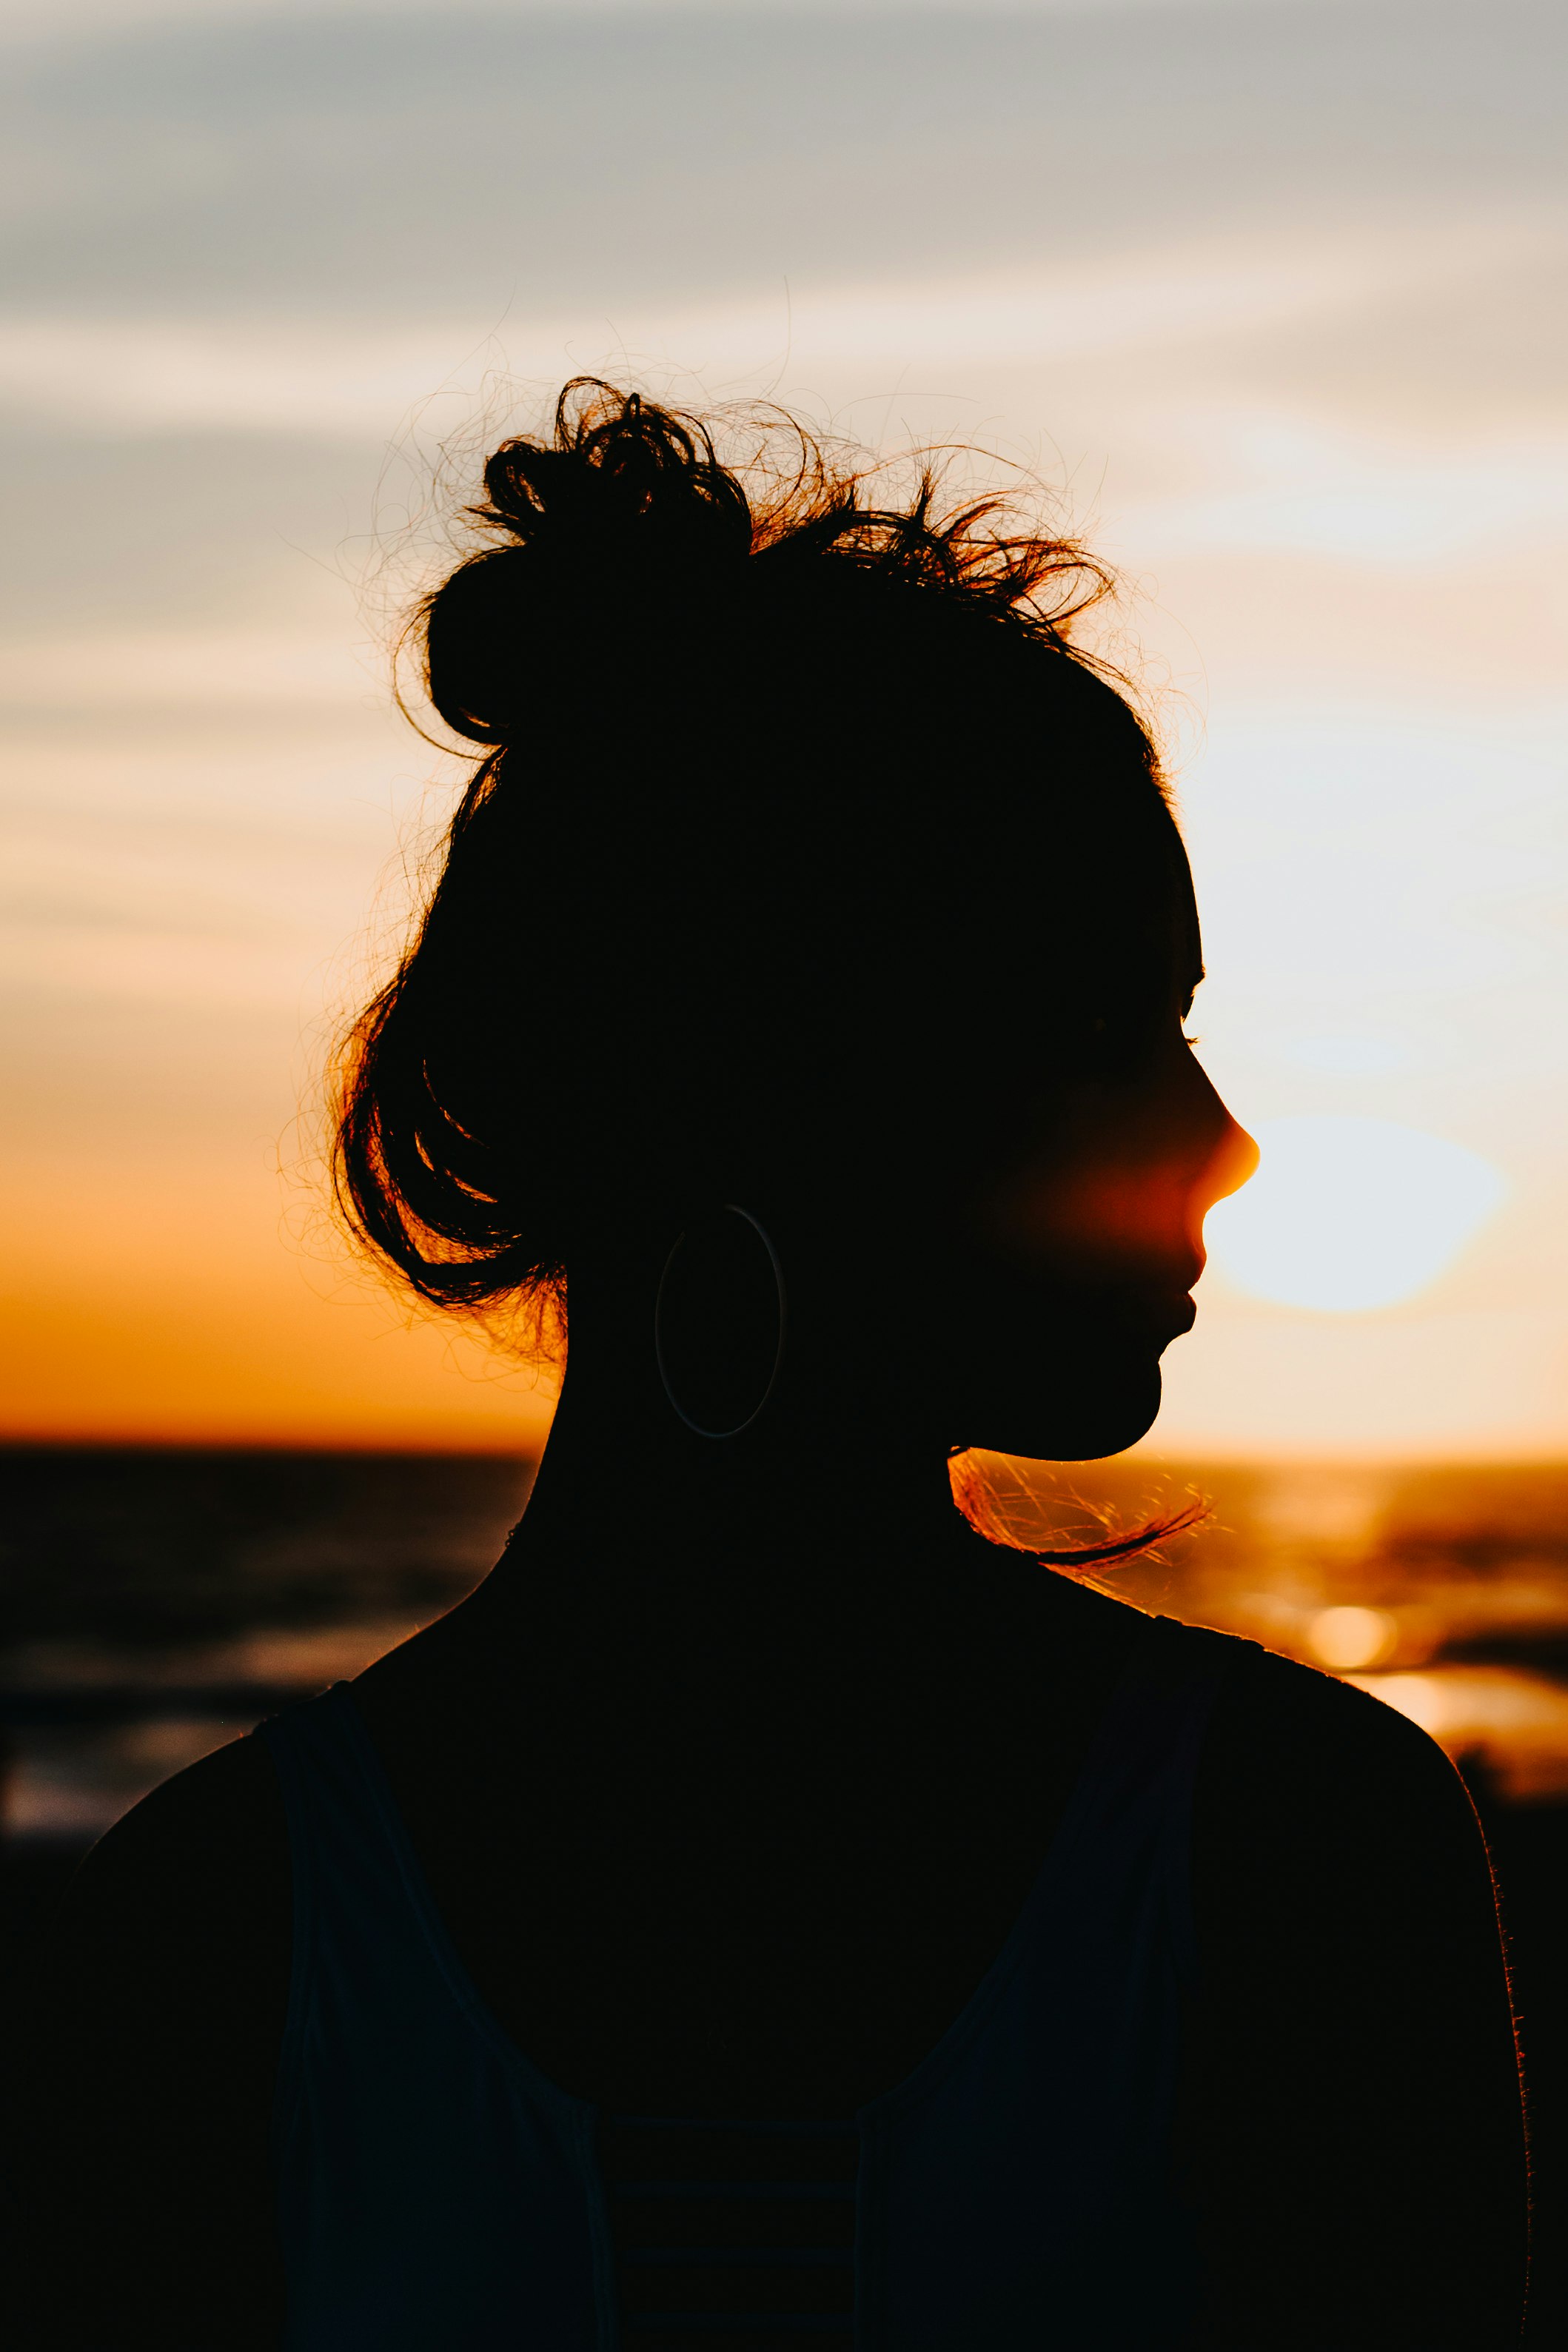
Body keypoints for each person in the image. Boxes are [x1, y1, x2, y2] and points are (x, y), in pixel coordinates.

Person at [4, 383, 1526, 2347]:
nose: (1223, 1136)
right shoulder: (225, 1942)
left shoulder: (1296, 1865)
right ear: (762, 1083)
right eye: (1096, 1020)